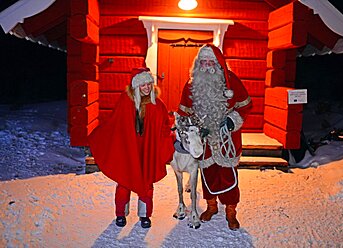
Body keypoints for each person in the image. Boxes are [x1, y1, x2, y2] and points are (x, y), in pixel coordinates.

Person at [177, 44, 252, 230]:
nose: (207, 65)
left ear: (219, 63)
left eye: (211, 61)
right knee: (208, 174)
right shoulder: (190, 86)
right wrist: (187, 134)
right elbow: (183, 113)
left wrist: (232, 121)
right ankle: (211, 206)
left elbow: (246, 105)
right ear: (198, 64)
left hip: (228, 140)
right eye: (204, 62)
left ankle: (231, 210)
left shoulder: (232, 81)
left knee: (228, 175)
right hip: (204, 141)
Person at [88, 67, 174, 228]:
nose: (147, 88)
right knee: (124, 181)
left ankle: (144, 215)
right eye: (143, 85)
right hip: (128, 148)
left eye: (149, 84)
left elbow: (164, 126)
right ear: (135, 86)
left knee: (146, 182)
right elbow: (115, 122)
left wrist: (168, 138)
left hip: (148, 149)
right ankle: (121, 213)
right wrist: (100, 135)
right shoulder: (125, 101)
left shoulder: (157, 104)